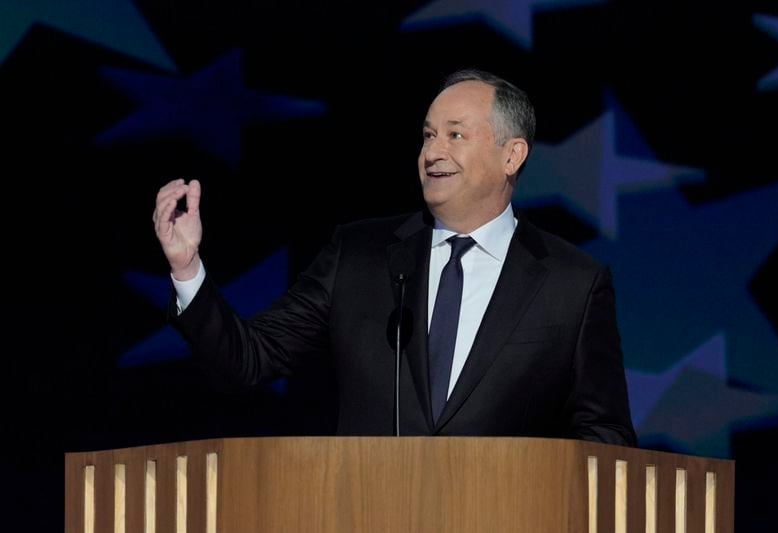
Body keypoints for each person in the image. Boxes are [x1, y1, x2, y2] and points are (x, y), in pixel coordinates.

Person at [153, 69, 636, 445]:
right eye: (427, 135)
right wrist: (187, 269)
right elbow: (247, 361)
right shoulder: (360, 256)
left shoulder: (573, 282)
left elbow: (605, 436)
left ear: (512, 156)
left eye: (455, 135)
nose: (432, 152)